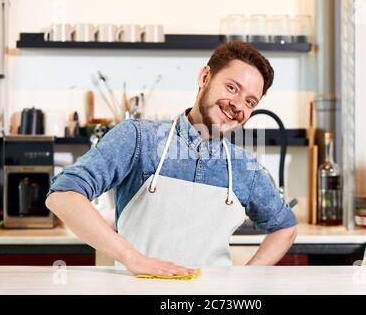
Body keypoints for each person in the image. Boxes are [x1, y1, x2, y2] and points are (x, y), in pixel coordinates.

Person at [46, 41, 298, 276]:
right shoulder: (138, 138)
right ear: (205, 77)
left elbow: (285, 228)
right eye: (232, 88)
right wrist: (131, 257)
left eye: (250, 101)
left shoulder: (245, 167)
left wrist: (246, 279)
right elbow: (62, 196)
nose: (237, 105)